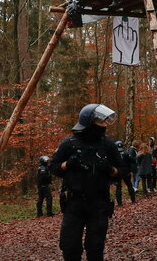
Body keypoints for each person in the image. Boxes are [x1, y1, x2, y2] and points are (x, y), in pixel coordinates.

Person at [50, 103, 124, 261]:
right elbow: (54, 167)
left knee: (95, 247)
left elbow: (122, 172)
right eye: (101, 121)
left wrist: (109, 169)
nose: (104, 125)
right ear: (89, 122)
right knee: (69, 246)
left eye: (105, 121)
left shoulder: (108, 145)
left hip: (99, 203)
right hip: (74, 202)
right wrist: (67, 164)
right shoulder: (69, 143)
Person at [114, 141, 136, 205]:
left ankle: (119, 203)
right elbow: (131, 163)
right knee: (129, 185)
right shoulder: (126, 154)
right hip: (126, 172)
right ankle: (133, 200)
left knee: (118, 187)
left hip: (119, 172)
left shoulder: (115, 155)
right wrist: (129, 171)